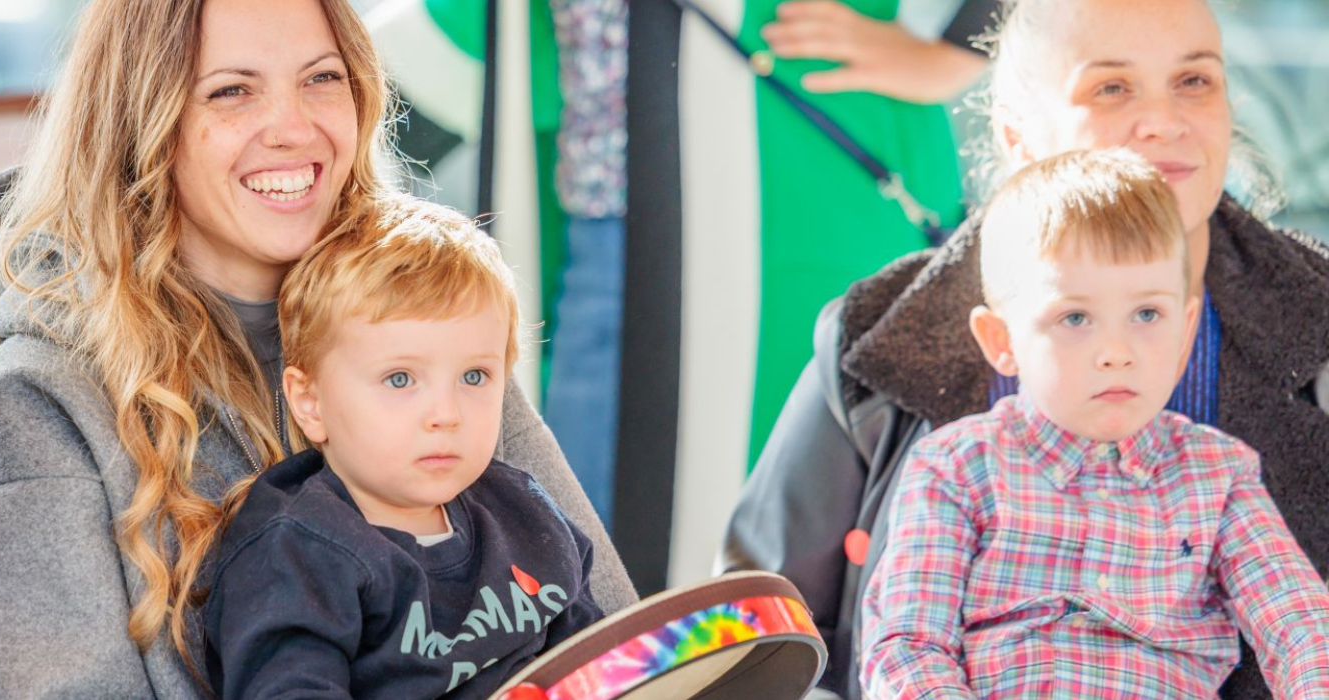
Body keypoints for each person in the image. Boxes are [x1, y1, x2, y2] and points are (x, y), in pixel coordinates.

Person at [0, 0, 640, 695]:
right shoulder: (41, 404)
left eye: (321, 78)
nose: (293, 127)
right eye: (232, 91)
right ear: (143, 126)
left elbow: (632, 653)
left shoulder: (429, 333)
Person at [719, 1, 1329, 698]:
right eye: (1112, 87)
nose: (1164, 119)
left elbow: (1304, 629)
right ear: (1019, 137)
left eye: (1194, 81)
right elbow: (744, 632)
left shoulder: (1306, 346)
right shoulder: (871, 339)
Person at [862, 149, 1329, 699]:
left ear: (1184, 332)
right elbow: (909, 648)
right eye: (1075, 317)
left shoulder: (1220, 475)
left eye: (1147, 315)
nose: (1116, 351)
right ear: (1002, 341)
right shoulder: (955, 468)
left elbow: (1301, 628)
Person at [201, 198, 606, 699]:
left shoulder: (524, 514)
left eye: (474, 376)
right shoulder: (295, 557)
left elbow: (605, 665)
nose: (446, 413)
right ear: (311, 403)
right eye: (400, 379)